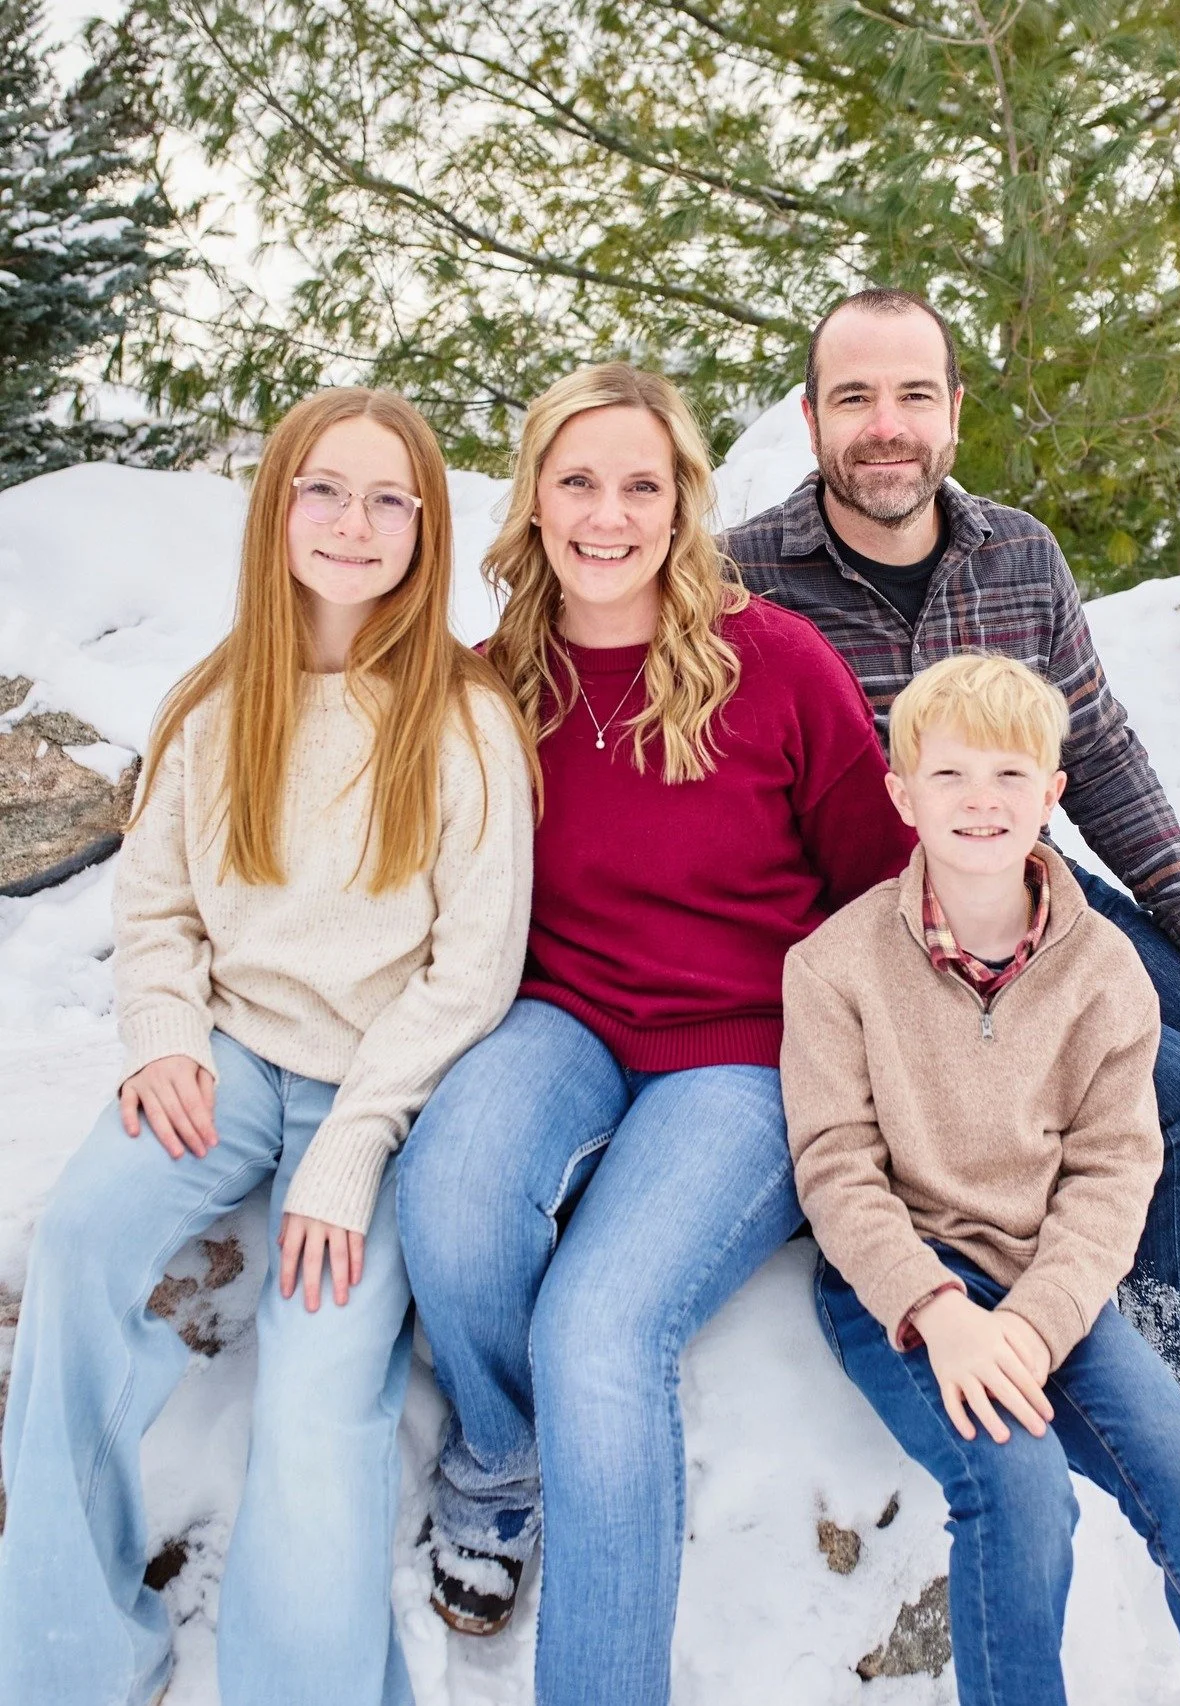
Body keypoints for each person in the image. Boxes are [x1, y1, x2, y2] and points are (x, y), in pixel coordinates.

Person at [726, 287, 1180, 1633]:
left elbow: (1108, 757)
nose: (884, 428)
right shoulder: (747, 576)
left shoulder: (1016, 554)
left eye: (912, 396)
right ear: (810, 418)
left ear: (955, 410)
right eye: (854, 399)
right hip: (888, 940)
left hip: (1038, 889)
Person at [0, 389, 535, 1706]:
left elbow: (471, 975)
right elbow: (157, 901)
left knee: (318, 1391)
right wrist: (163, 1037)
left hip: (383, 1090)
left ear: (425, 524)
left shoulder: (461, 722)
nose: (353, 523)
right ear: (277, 508)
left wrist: (352, 1150)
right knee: (75, 1243)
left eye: (387, 498)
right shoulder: (217, 702)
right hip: (231, 1061)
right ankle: (74, 1659)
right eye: (323, 490)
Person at [395, 362, 914, 1705]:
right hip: (558, 1013)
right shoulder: (490, 678)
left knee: (600, 1327)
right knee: (449, 1193)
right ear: (534, 499)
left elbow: (877, 886)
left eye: (643, 483)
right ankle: (500, 1459)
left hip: (741, 1050)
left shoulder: (777, 661)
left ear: (686, 503)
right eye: (578, 481)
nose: (608, 514)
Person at [781, 653, 1180, 1704]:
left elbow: (1116, 1165)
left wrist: (1038, 1318)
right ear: (900, 795)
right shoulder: (832, 965)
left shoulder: (1104, 968)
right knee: (1022, 1494)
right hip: (906, 1290)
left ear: (1053, 796)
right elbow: (836, 1166)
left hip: (1051, 1284)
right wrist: (939, 1311)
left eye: (1012, 776)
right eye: (951, 776)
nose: (982, 801)